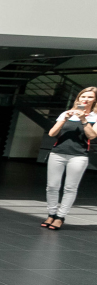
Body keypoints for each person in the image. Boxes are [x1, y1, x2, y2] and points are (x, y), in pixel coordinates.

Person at [43, 87, 97, 230]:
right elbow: (52, 133)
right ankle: (51, 214)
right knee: (52, 186)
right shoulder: (66, 113)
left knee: (70, 188)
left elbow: (92, 136)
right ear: (78, 98)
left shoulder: (95, 117)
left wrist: (83, 119)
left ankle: (60, 217)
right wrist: (64, 119)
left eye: (90, 97)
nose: (86, 99)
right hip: (57, 153)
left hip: (78, 156)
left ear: (95, 100)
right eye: (83, 96)